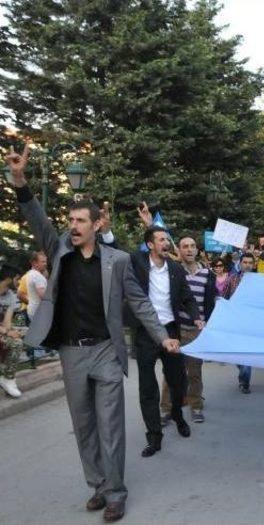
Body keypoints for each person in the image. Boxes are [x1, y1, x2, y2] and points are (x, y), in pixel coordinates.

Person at [6, 143, 179, 522]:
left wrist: (162, 334)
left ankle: (116, 493)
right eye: (71, 221)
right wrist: (19, 181)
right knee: (83, 426)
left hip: (104, 351)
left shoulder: (117, 262)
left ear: (97, 225)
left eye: (81, 221)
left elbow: (140, 302)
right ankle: (98, 485)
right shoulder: (59, 252)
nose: (73, 226)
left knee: (110, 426)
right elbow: (38, 220)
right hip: (71, 353)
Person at [130, 226, 204, 458]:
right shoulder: (138, 263)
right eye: (161, 239)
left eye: (168, 239)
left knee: (178, 381)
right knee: (148, 387)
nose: (167, 243)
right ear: (150, 245)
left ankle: (178, 416)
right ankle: (154, 437)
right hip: (145, 333)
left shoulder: (175, 269)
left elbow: (187, 297)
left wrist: (196, 316)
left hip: (171, 331)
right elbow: (114, 249)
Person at [159, 236, 216, 424]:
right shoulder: (173, 272)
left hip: (197, 332)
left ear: (197, 250)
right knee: (171, 372)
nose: (189, 249)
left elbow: (212, 300)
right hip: (176, 330)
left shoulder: (208, 274)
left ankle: (196, 405)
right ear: (179, 251)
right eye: (185, 246)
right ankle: (166, 409)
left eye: (193, 246)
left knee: (194, 372)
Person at [232, 252, 257, 393]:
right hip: (236, 323)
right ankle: (242, 370)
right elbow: (224, 299)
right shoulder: (232, 280)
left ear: (254, 265)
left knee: (247, 354)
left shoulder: (260, 282)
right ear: (240, 264)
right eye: (245, 262)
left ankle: (245, 381)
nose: (247, 265)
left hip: (251, 323)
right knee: (237, 352)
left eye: (250, 263)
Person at [0, 265, 25, 398]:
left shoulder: (10, 295)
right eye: (17, 279)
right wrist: (6, 332)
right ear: (9, 279)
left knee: (17, 342)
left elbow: (7, 322)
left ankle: (8, 379)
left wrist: (12, 331)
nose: (19, 282)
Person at [25, 251, 48, 321]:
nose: (45, 264)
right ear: (34, 263)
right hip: (38, 312)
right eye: (43, 262)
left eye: (46, 262)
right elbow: (44, 296)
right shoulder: (37, 276)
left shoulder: (31, 273)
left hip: (34, 311)